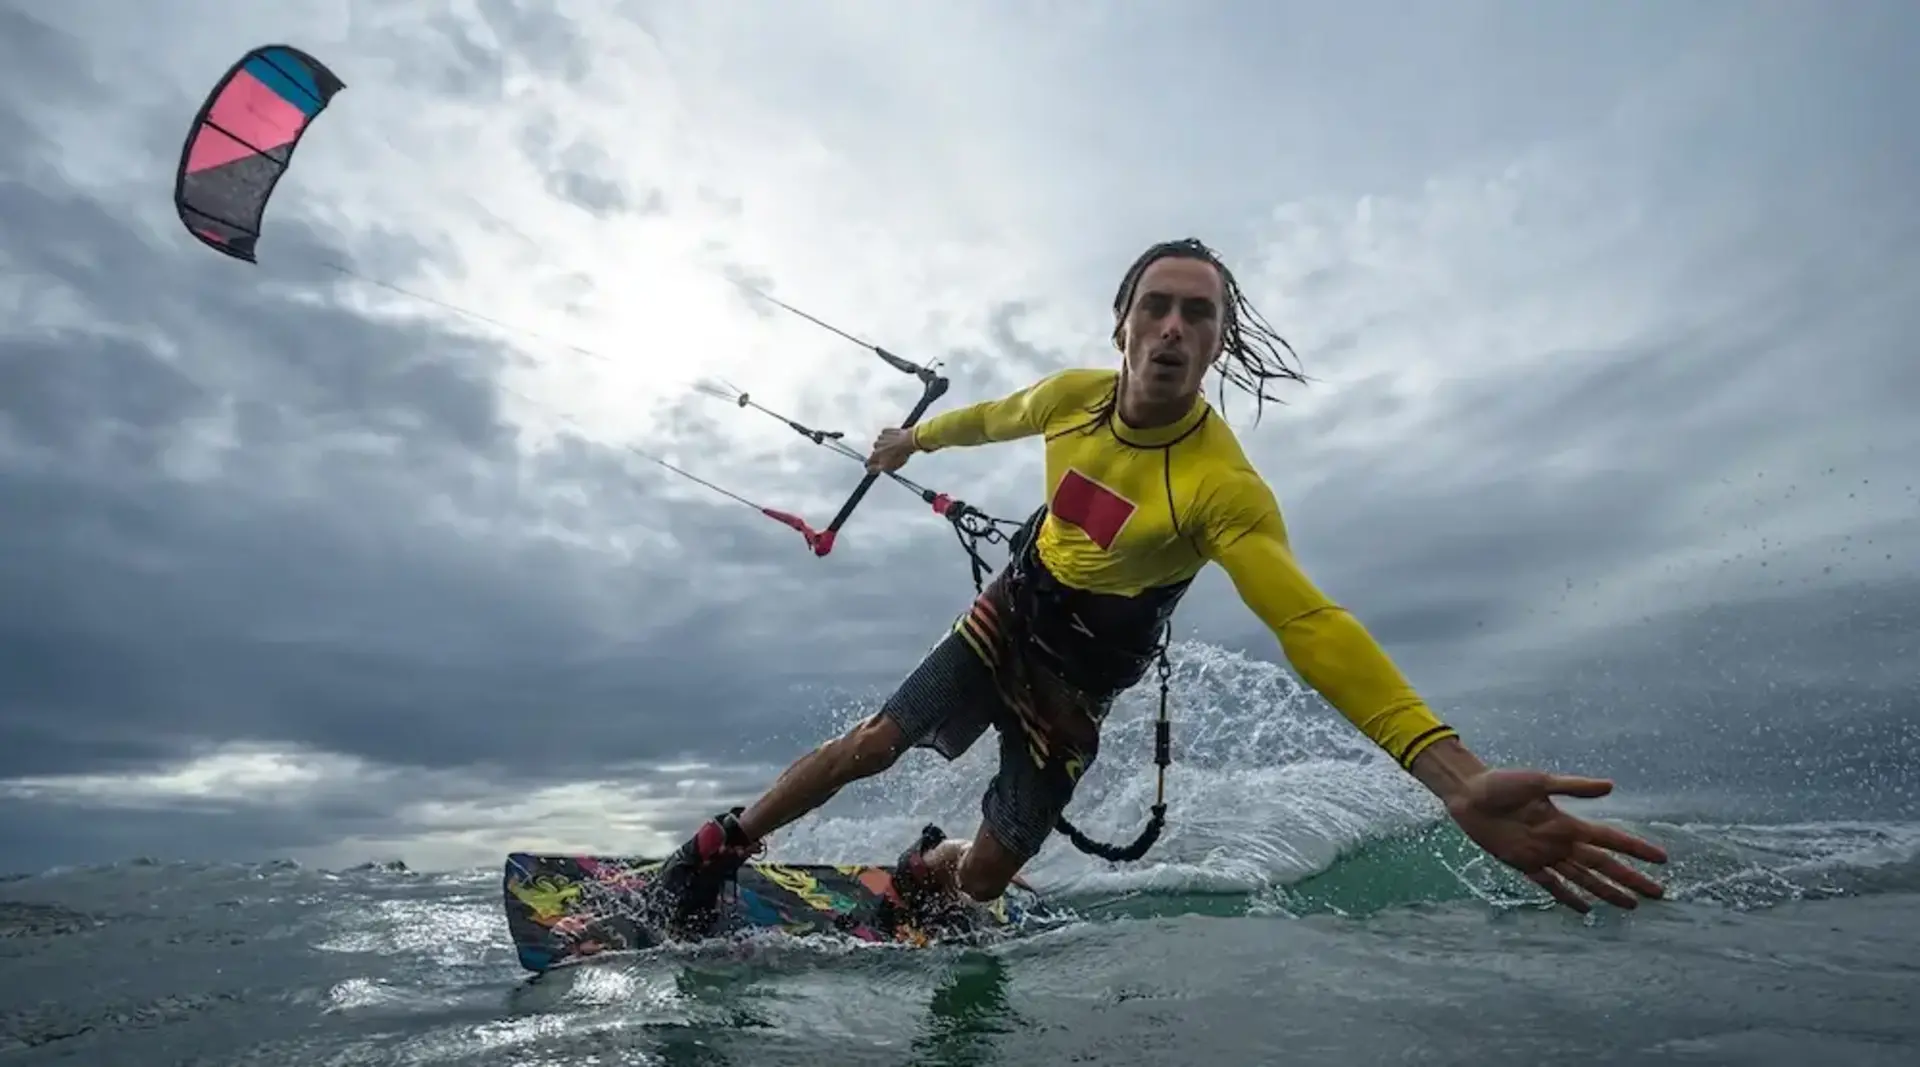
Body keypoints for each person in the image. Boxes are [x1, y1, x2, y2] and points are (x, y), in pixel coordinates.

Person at [649, 237, 1668, 935]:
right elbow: (988, 417)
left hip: (1080, 686)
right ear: (1123, 326)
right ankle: (722, 845)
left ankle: (930, 866)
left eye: (1199, 314)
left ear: (1217, 342)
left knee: (986, 878)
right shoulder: (1070, 399)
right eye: (1157, 307)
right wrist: (908, 441)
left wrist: (1456, 778)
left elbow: (1311, 623)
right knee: (874, 743)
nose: (1175, 326)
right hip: (1012, 615)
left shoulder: (1223, 488)